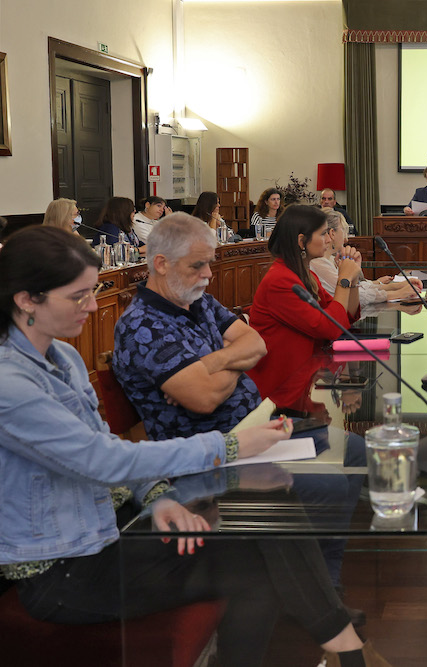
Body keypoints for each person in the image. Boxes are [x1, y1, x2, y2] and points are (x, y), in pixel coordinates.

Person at [0, 226, 385, 667]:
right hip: (65, 567)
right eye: (78, 296)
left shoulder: (62, 357)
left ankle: (344, 648)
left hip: (111, 525)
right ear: (27, 299)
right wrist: (230, 446)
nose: (92, 305)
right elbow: (103, 459)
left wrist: (156, 496)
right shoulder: (10, 382)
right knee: (260, 550)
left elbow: (104, 444)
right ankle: (347, 650)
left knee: (268, 525)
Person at [113, 213, 263, 440]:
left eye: (209, 263)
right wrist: (237, 358)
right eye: (197, 266)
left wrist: (211, 362)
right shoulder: (141, 325)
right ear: (162, 264)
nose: (209, 274)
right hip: (206, 457)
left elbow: (257, 344)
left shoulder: (200, 301)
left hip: (252, 434)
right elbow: (206, 397)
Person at [248, 205, 362, 400]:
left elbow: (347, 317)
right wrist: (343, 279)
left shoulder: (305, 274)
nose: (328, 239)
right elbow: (330, 327)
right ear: (302, 241)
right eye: (323, 233)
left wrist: (353, 279)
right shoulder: (280, 280)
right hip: (279, 392)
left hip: (305, 379)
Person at [311, 209, 422, 307]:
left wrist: (397, 286)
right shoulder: (319, 263)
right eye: (344, 230)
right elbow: (357, 296)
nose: (346, 238)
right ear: (332, 233)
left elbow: (358, 287)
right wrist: (398, 293)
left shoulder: (329, 259)